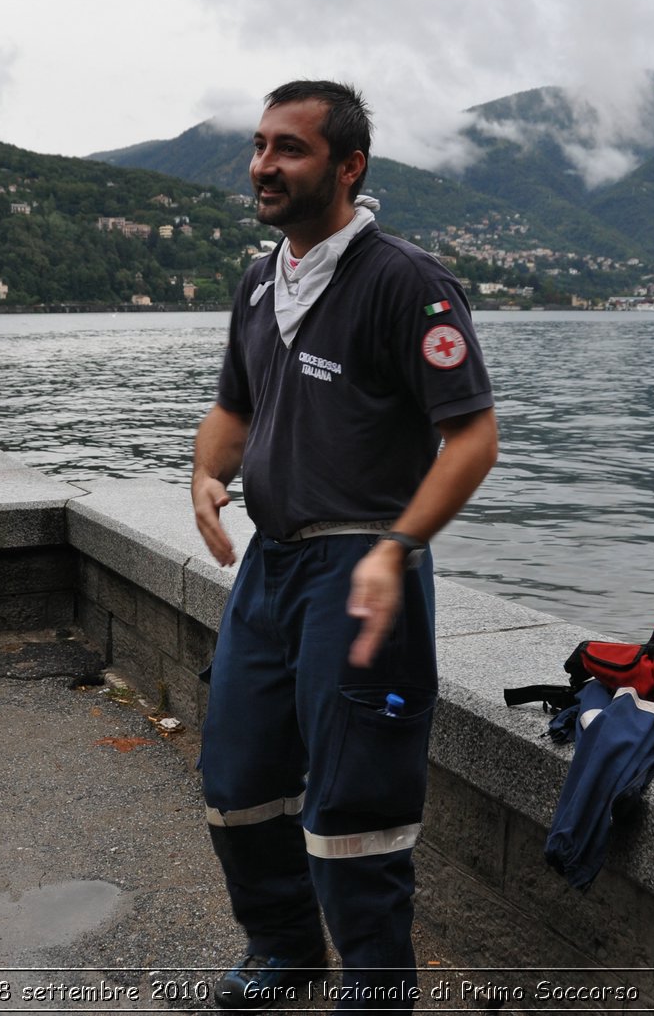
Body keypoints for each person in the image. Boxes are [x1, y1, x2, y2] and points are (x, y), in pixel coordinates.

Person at [190, 81, 499, 1011]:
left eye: (289, 148)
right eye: (258, 146)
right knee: (237, 776)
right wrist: (206, 475)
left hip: (362, 568)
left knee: (359, 804)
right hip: (271, 566)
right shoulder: (258, 281)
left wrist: (396, 545)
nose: (263, 165)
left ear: (348, 164)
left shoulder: (407, 280)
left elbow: (473, 439)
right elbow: (233, 408)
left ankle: (374, 988)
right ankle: (282, 948)